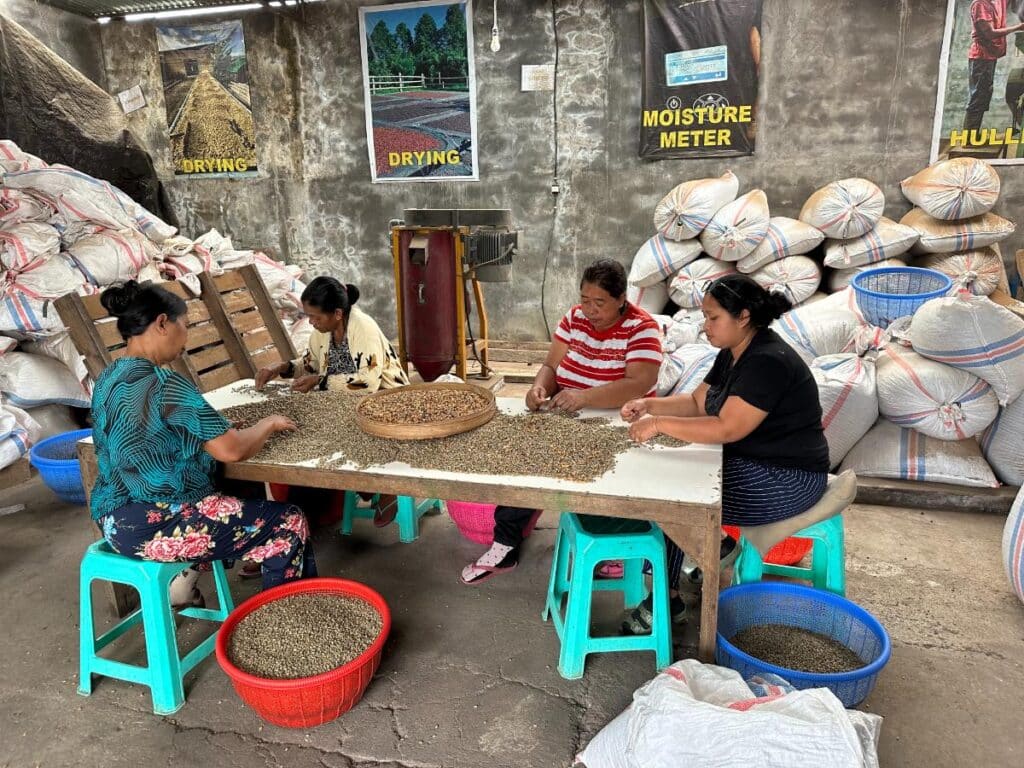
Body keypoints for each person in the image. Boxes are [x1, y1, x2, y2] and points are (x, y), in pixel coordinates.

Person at [621, 274, 829, 632]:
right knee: (667, 481)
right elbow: (696, 403)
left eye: (713, 317)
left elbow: (727, 428)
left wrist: (658, 425)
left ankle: (667, 598)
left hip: (787, 478)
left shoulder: (768, 361)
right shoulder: (732, 354)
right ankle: (714, 548)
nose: (706, 326)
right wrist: (648, 405)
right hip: (749, 462)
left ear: (743, 316)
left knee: (675, 499)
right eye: (704, 316)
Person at [90, 281, 316, 598]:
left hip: (113, 517)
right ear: (162, 323)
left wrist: (212, 428)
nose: (187, 337)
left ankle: (185, 580)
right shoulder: (165, 382)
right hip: (155, 524)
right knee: (288, 521)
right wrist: (268, 424)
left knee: (236, 491)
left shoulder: (108, 378)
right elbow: (232, 449)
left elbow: (149, 435)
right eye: (186, 325)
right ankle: (282, 621)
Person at [460, 259, 662, 585]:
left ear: (622, 298)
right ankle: (505, 543)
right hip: (565, 415)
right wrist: (538, 387)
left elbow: (638, 384)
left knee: (598, 474)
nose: (590, 310)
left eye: (600, 303)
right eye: (585, 299)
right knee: (522, 456)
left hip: (617, 422)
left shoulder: (642, 327)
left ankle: (609, 547)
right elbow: (551, 366)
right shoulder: (574, 318)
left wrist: (584, 397)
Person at [252, 276, 409, 545]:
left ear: (337, 313)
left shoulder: (364, 328)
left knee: (321, 444)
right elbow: (310, 364)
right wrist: (280, 368)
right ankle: (298, 522)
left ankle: (295, 528)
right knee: (302, 437)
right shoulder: (322, 333)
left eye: (315, 317)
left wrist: (321, 382)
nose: (311, 322)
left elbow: (368, 382)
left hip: (383, 403)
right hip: (340, 403)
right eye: (308, 316)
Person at [964, 0, 1024, 132]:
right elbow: (989, 33)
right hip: (981, 58)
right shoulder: (980, 4)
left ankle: (972, 135)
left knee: (984, 95)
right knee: (978, 97)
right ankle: (969, 138)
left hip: (990, 56)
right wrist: (1018, 27)